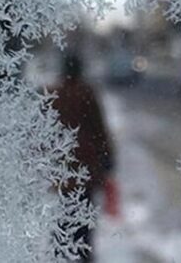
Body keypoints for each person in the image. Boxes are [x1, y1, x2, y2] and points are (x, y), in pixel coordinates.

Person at [50, 52, 115, 262]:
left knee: (65, 215)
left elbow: (45, 131)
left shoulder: (54, 94)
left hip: (63, 168)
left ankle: (62, 253)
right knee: (84, 217)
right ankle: (83, 254)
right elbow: (99, 130)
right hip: (85, 168)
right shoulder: (86, 93)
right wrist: (107, 160)